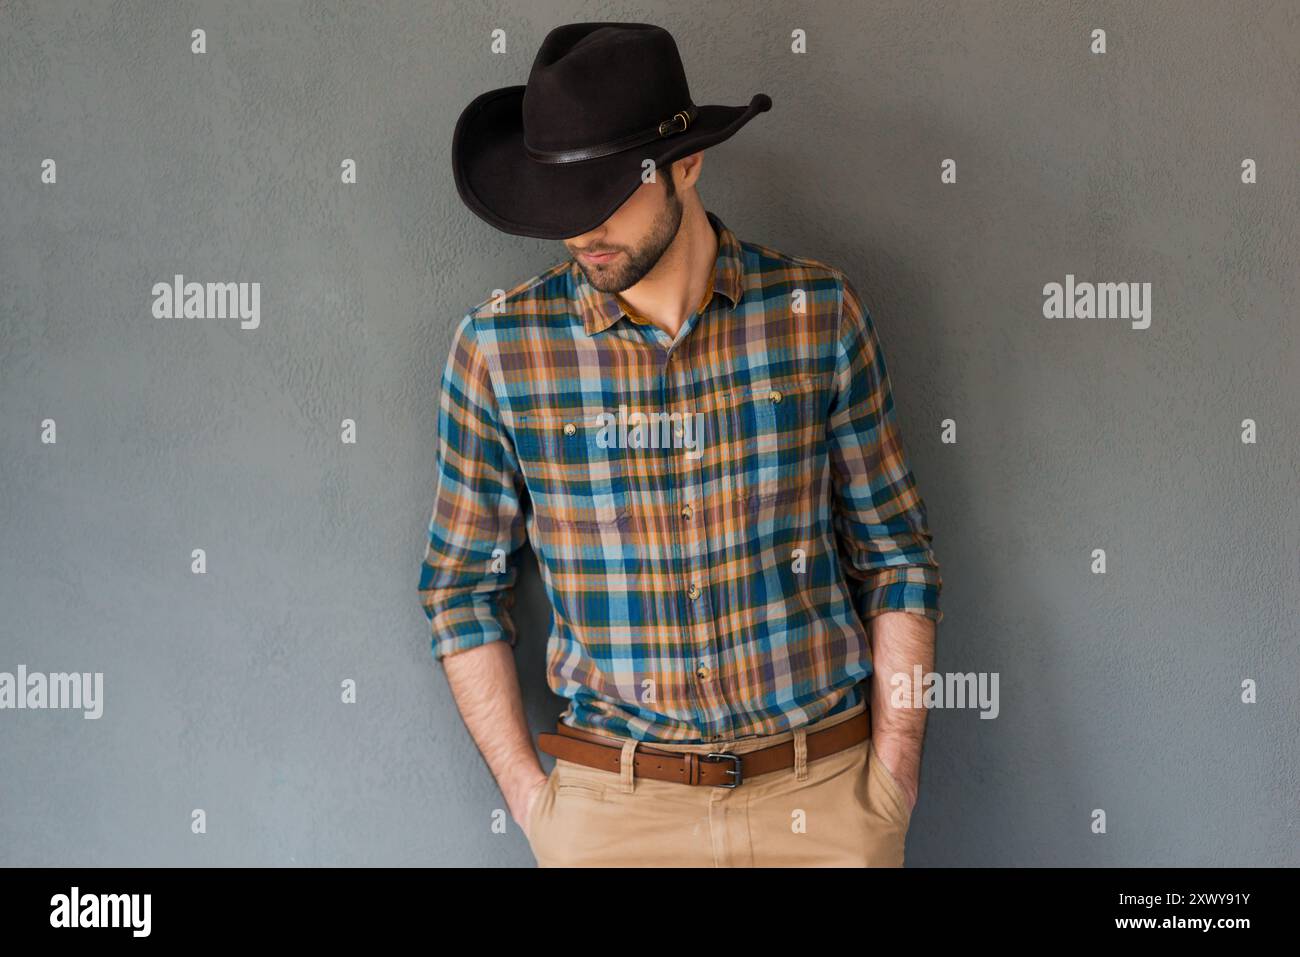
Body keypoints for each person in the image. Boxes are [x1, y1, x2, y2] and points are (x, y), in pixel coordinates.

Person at [420, 21, 943, 866]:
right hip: (614, 817)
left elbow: (898, 559)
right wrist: (536, 805)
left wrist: (891, 783)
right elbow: (459, 591)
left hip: (822, 802)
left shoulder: (819, 316)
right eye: (560, 203)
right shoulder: (499, 351)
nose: (580, 232)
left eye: (604, 198)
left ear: (688, 164)